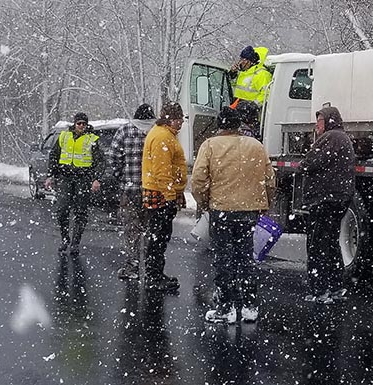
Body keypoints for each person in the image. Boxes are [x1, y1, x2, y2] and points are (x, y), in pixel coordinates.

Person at [191, 106, 277, 324]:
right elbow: (270, 179)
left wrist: (204, 203)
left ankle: (226, 307)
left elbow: (199, 180)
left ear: (220, 125)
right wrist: (264, 202)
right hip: (249, 212)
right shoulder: (256, 146)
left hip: (222, 210)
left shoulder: (210, 145)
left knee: (223, 259)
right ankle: (249, 306)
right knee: (245, 258)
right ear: (238, 125)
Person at [299, 105, 355, 304]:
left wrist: (303, 164)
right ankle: (335, 286)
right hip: (337, 197)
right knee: (330, 243)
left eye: (319, 121)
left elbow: (310, 162)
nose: (316, 126)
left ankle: (319, 289)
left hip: (325, 198)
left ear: (329, 121)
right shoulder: (342, 137)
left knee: (317, 245)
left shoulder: (331, 138)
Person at [104, 103, 156, 281]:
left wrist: (122, 177)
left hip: (130, 189)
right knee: (151, 229)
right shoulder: (158, 133)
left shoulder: (124, 131)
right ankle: (151, 267)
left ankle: (132, 265)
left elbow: (113, 158)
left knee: (131, 229)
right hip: (152, 190)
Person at [140, 103, 188, 293]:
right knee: (158, 236)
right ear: (169, 119)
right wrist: (170, 196)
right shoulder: (162, 137)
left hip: (160, 192)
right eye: (179, 119)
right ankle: (154, 276)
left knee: (158, 235)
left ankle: (156, 273)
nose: (181, 123)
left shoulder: (163, 134)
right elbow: (162, 170)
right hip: (160, 194)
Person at [46, 112, 103, 256]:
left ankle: (75, 242)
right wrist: (50, 175)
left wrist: (96, 179)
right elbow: (54, 156)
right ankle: (65, 238)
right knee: (62, 209)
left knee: (81, 212)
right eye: (79, 123)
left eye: (84, 124)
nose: (81, 126)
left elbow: (100, 161)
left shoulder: (92, 139)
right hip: (65, 178)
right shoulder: (64, 136)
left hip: (82, 179)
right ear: (74, 123)